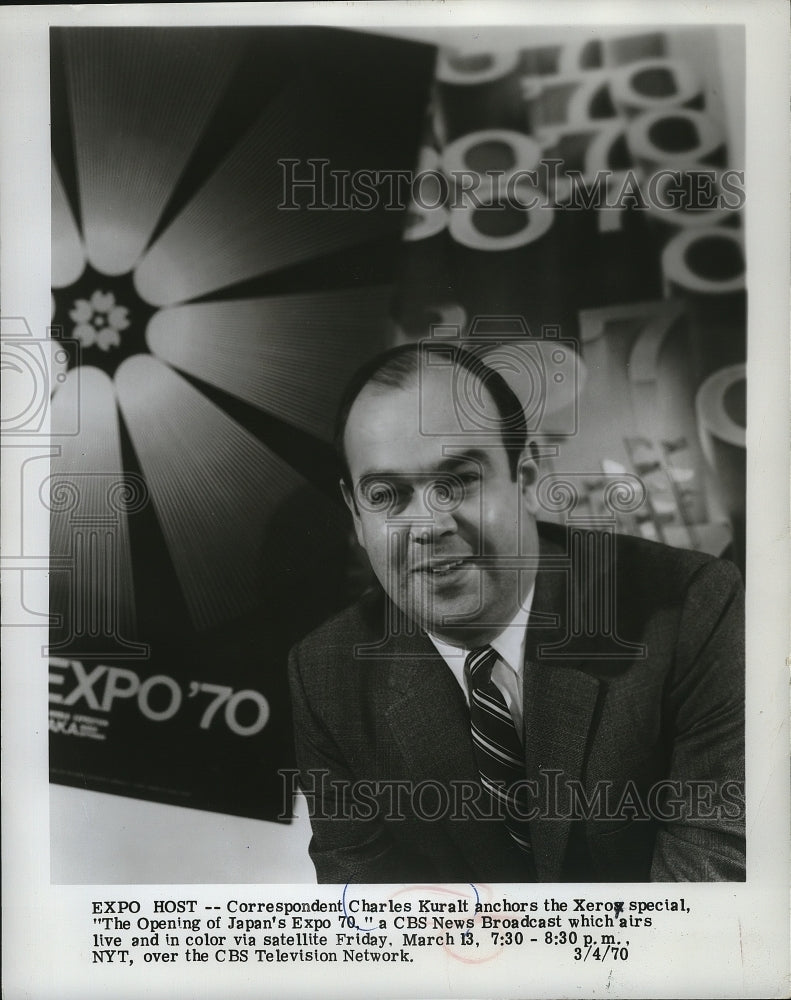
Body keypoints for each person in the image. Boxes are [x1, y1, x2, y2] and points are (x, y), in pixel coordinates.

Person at [287, 342, 745, 883]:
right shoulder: (326, 675)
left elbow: (704, 905)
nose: (429, 526)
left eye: (457, 482)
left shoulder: (692, 609)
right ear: (356, 515)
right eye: (387, 495)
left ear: (525, 479)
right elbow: (372, 927)